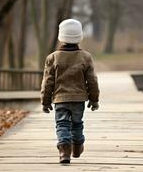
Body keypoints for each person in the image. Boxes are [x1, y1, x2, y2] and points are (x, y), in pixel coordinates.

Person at [40, 19, 100, 163]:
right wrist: (94, 99)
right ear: (79, 37)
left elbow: (48, 82)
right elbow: (92, 80)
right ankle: (77, 147)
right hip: (79, 100)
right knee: (77, 124)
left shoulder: (53, 57)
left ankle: (64, 152)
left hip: (60, 100)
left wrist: (45, 101)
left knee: (62, 125)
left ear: (61, 37)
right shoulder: (86, 57)